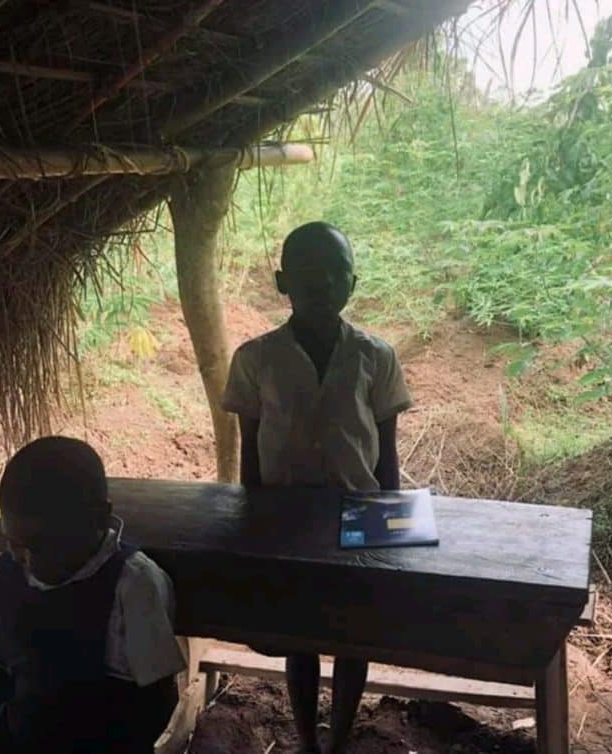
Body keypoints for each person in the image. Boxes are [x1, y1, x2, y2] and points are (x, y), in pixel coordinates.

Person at [222, 221, 413, 753]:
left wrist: (391, 524)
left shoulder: (376, 356)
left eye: (335, 274)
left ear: (353, 283)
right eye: (307, 274)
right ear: (283, 282)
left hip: (360, 512)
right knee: (299, 636)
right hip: (286, 517)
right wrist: (254, 525)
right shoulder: (255, 359)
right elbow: (251, 450)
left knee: (355, 636)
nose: (322, 284)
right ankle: (308, 740)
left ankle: (340, 737)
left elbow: (386, 450)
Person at [0, 436, 186, 754]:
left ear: (98, 519)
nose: (27, 561)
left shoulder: (132, 586)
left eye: (45, 545)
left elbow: (158, 699)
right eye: (15, 544)